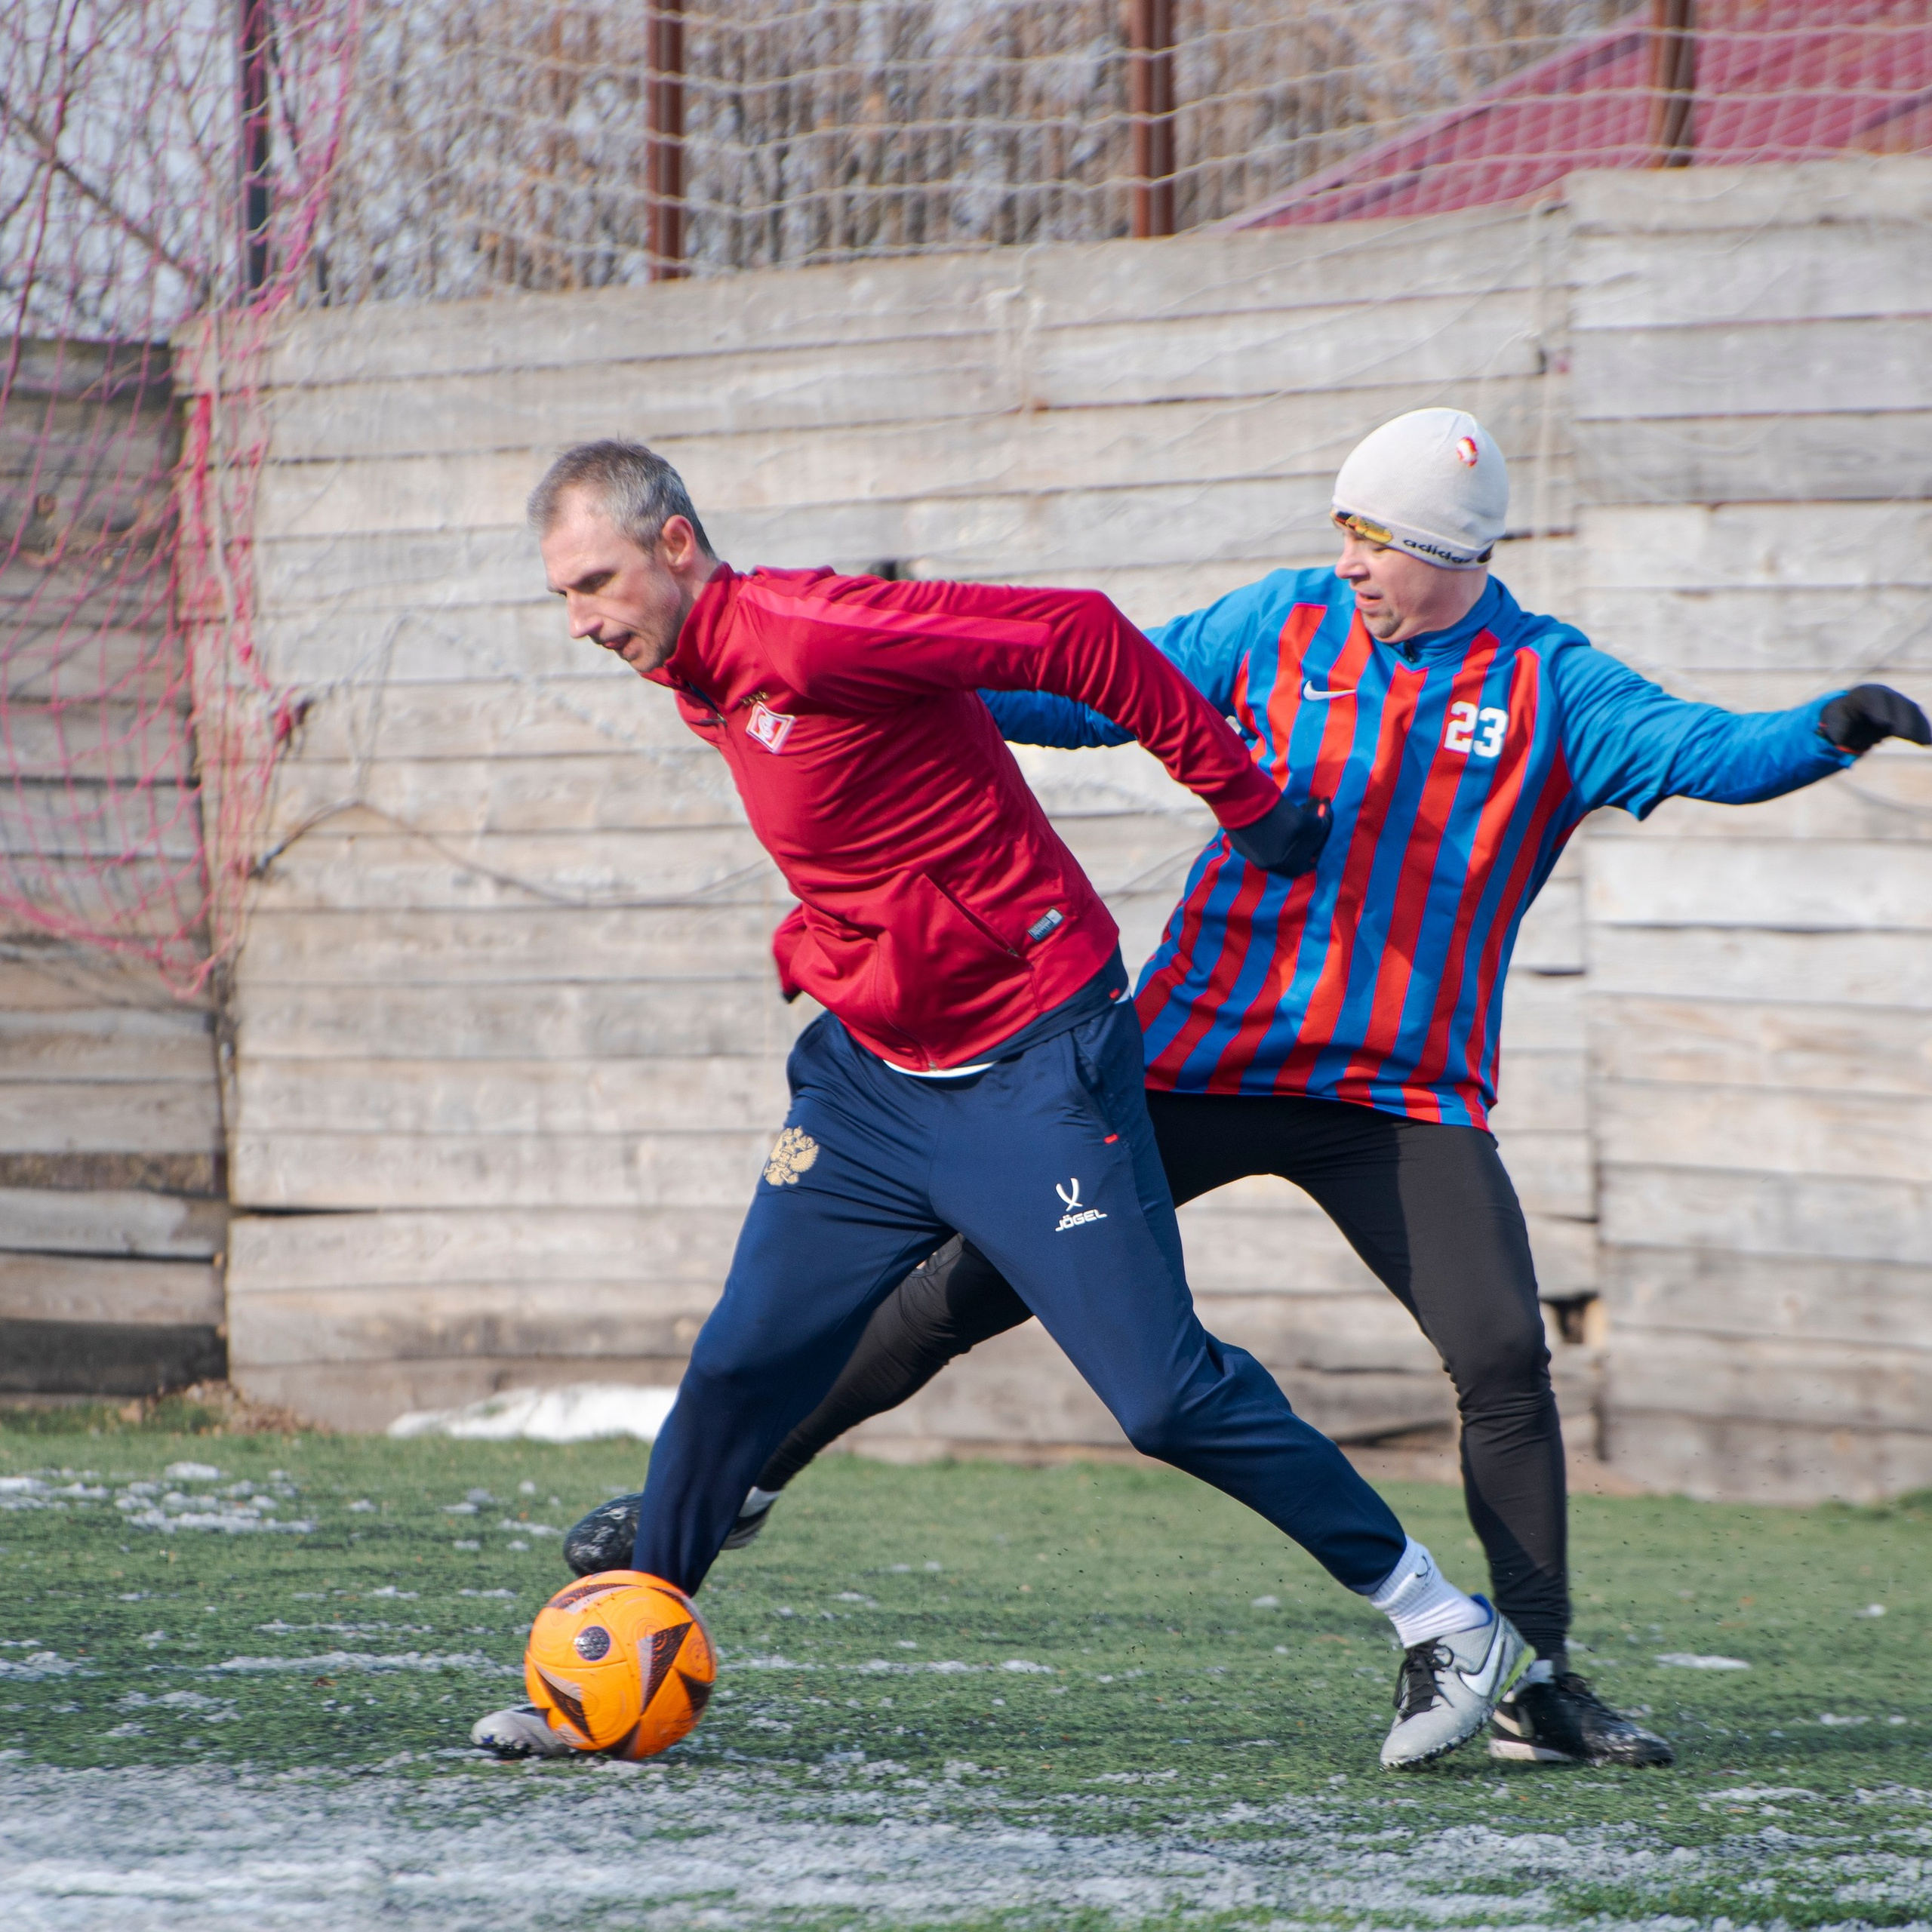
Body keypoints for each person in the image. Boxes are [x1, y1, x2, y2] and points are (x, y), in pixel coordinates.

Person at [548, 410, 1930, 1772]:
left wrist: (1829, 727)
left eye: (1378, 544)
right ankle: (742, 1486)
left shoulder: (1556, 688)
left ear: (1457, 551)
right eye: (1344, 536)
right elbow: (1095, 680)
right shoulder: (1279, 624)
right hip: (1198, 1057)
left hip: (1398, 1094)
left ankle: (1534, 1681)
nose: (1351, 567)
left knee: (1503, 1354)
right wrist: (923, 676)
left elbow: (1711, 753)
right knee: (962, 1292)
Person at [473, 438, 1529, 1771]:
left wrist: (1246, 800)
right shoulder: (697, 673)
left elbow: (1079, 635)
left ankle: (1444, 1623)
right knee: (742, 1362)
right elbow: (876, 820)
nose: (583, 621)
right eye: (563, 595)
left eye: (596, 583)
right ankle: (613, 1674)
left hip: (1033, 1063)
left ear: (676, 543)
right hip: (871, 1084)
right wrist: (833, 938)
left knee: (1165, 1398)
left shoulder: (811, 628)